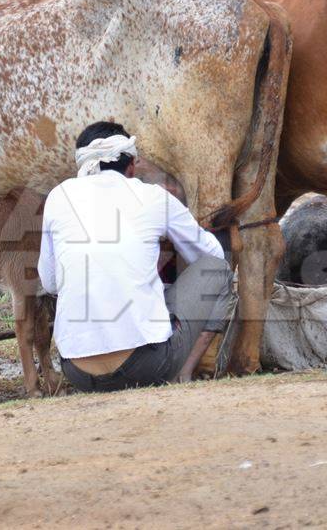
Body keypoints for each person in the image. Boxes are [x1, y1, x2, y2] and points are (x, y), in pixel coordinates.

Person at [38, 121, 233, 391]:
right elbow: (210, 254)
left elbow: (49, 283)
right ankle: (183, 376)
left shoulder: (58, 197)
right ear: (131, 166)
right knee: (217, 268)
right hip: (147, 367)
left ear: (83, 165)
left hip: (77, 371)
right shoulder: (152, 196)